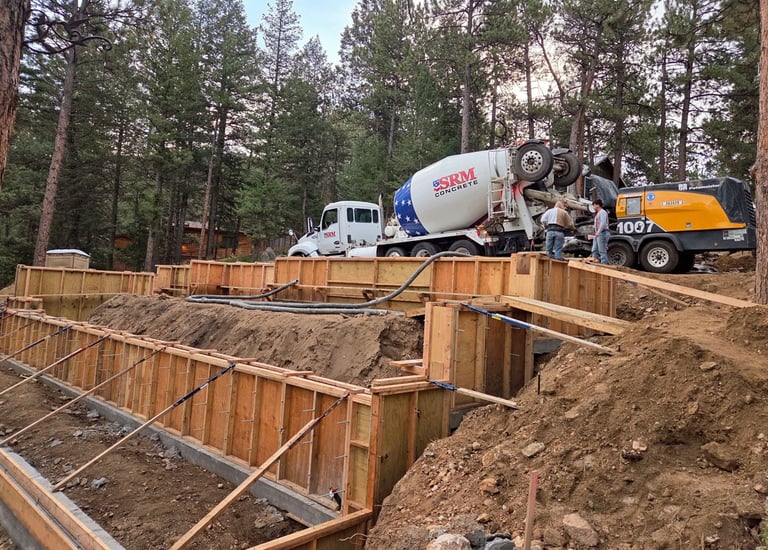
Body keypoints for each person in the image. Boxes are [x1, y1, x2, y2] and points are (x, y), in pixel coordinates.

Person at [589, 199, 609, 264]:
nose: (593, 207)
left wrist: (598, 231)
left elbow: (603, 223)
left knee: (602, 250)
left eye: (594, 205)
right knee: (594, 249)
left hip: (602, 233)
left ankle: (604, 264)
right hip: (597, 234)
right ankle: (595, 261)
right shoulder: (598, 214)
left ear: (597, 205)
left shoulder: (603, 212)